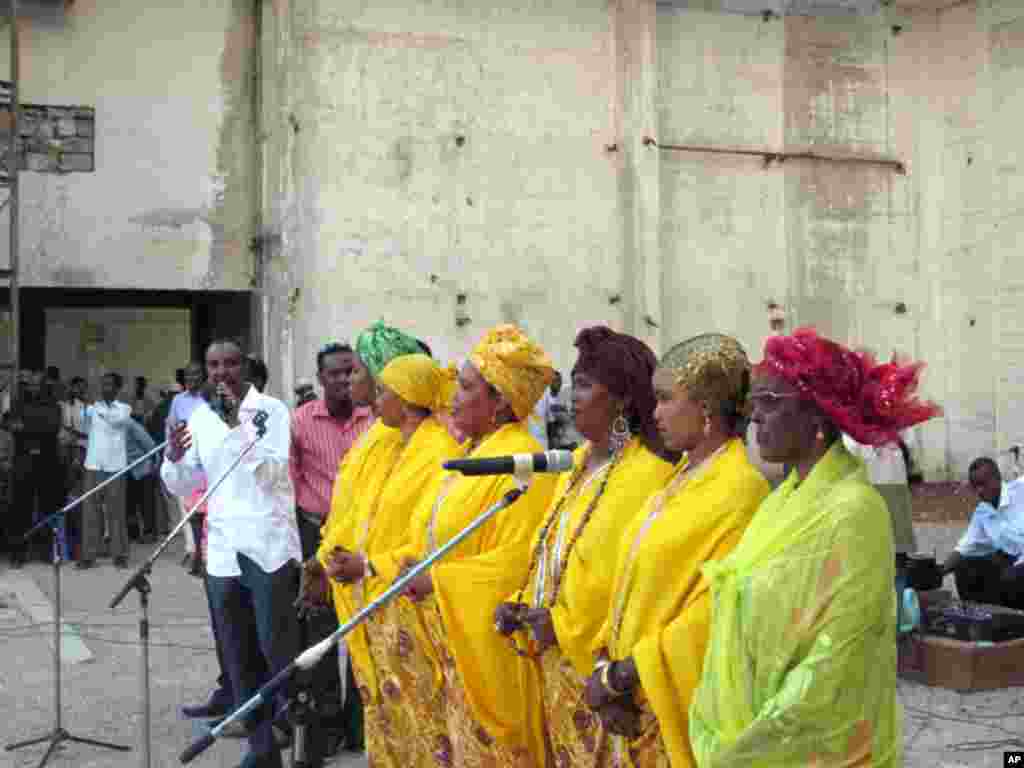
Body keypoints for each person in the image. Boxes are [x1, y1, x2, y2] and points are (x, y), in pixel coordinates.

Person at [689, 327, 940, 767]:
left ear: (818, 418)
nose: (755, 418)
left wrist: (746, 749)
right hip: (746, 728)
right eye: (754, 404)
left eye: (771, 403)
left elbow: (835, 659)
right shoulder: (781, 501)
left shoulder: (855, 511)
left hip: (811, 748)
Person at [579, 334, 769, 768]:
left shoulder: (740, 489)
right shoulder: (679, 477)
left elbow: (716, 612)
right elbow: (630, 580)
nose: (656, 413)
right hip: (632, 698)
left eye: (666, 400)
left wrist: (628, 673)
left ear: (705, 407)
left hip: (674, 702)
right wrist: (606, 660)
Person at [379, 325, 559, 766]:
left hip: (490, 652)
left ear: (499, 400)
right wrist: (405, 561)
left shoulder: (522, 461)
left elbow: (516, 566)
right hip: (449, 641)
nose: (452, 397)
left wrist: (436, 579)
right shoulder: (474, 453)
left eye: (464, 387)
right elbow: (434, 530)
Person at [494, 327, 674, 767]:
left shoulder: (649, 475)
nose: (574, 396)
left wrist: (567, 629)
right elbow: (556, 552)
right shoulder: (574, 463)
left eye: (586, 385)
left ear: (624, 399)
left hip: (604, 678)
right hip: (554, 668)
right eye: (574, 383)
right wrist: (525, 602)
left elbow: (628, 585)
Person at [301, 351, 461, 767]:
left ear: (407, 400)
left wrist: (370, 563)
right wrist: (332, 557)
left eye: (384, 390)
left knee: (423, 715)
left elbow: (429, 536)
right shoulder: (392, 442)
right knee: (386, 713)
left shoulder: (437, 451)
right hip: (374, 596)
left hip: (410, 600)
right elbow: (363, 512)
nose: (376, 397)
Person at [163, 339, 302, 768]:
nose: (221, 372)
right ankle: (260, 749)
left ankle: (299, 735)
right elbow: (185, 487)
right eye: (213, 364)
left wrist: (240, 424)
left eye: (230, 363)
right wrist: (175, 458)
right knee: (237, 654)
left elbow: (276, 474)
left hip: (269, 547)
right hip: (222, 550)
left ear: (245, 367)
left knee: (276, 649)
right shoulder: (201, 418)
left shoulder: (271, 411)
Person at [289, 341, 374, 756]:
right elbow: (288, 481)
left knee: (363, 631)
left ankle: (360, 727)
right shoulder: (300, 422)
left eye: (349, 371)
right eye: (334, 373)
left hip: (362, 542)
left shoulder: (375, 420)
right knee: (320, 634)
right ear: (320, 378)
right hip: (315, 535)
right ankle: (326, 726)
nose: (343, 379)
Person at [942, 456, 1024, 609]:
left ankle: (1014, 618)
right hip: (1011, 561)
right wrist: (938, 573)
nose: (979, 490)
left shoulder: (1020, 491)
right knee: (964, 568)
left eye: (983, 484)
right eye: (975, 486)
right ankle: (982, 615)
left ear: (998, 479)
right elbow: (965, 548)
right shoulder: (982, 512)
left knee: (1011, 577)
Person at [8, 371, 64, 566]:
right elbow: (12, 425)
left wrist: (26, 426)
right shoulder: (17, 404)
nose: (32, 388)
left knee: (47, 509)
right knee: (20, 510)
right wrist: (35, 426)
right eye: (29, 385)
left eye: (36, 385)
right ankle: (18, 554)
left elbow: (52, 427)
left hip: (47, 464)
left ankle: (47, 552)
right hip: (23, 463)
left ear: (43, 387)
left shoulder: (54, 405)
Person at [79, 372, 133, 569]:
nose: (105, 388)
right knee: (90, 512)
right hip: (93, 465)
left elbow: (115, 421)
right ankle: (88, 555)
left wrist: (94, 409)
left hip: (115, 467)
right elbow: (85, 429)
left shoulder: (124, 408)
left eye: (109, 385)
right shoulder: (92, 408)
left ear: (117, 388)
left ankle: (119, 554)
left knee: (116, 512)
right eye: (103, 385)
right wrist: (87, 410)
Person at [168, 362, 207, 573]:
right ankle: (192, 551)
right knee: (188, 510)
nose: (192, 379)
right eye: (188, 376)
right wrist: (171, 453)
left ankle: (202, 554)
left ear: (202, 376)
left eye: (196, 375)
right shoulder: (177, 400)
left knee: (205, 511)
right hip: (186, 460)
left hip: (206, 463)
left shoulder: (208, 398)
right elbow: (171, 427)